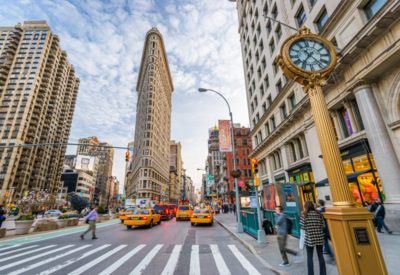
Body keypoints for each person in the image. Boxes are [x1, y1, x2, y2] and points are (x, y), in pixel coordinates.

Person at [301, 201, 326, 275]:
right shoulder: (319, 214)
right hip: (319, 237)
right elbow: (323, 226)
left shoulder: (304, 215)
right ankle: (323, 273)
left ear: (305, 206)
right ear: (312, 206)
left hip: (310, 238)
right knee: (320, 255)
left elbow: (303, 227)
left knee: (310, 257)